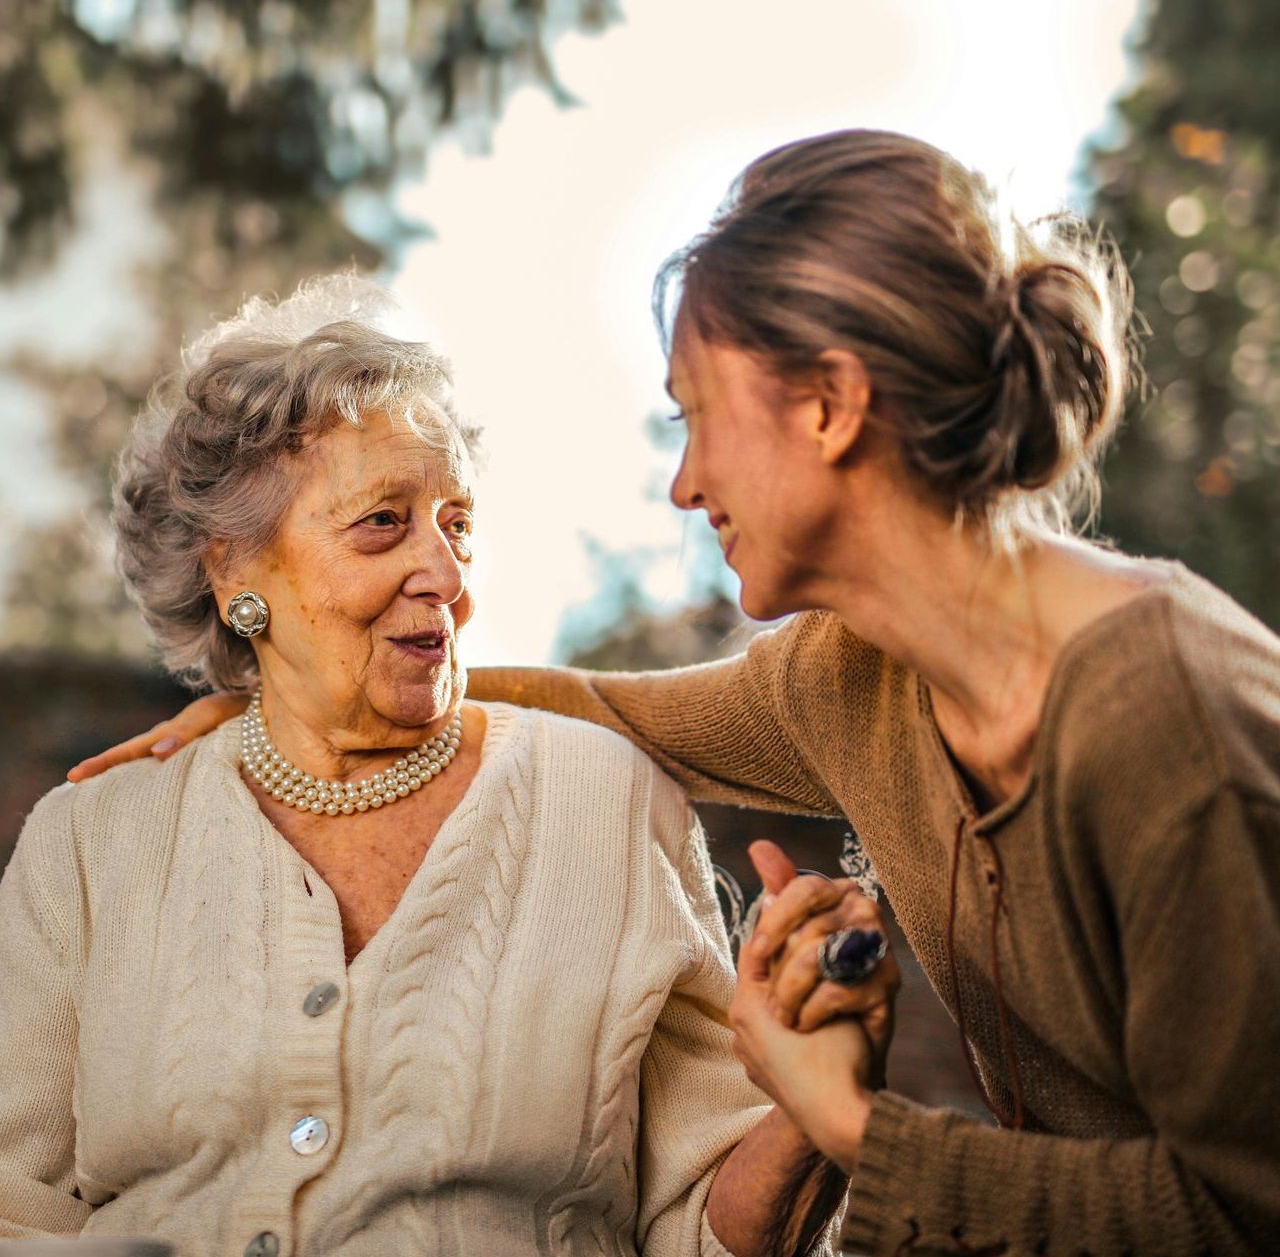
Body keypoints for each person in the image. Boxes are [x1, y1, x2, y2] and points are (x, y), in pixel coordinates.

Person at [73, 131, 1280, 1254]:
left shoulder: (1163, 720)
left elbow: (1242, 1209)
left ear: (828, 403)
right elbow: (611, 707)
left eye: (696, 417)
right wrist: (293, 695)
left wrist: (857, 1129)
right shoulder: (851, 676)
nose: (685, 482)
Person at [0, 276, 857, 1256]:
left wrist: (809, 1110)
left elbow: (699, 1230)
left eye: (458, 523)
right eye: (382, 522)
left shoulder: (604, 804)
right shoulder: (90, 840)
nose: (447, 578)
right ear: (233, 567)